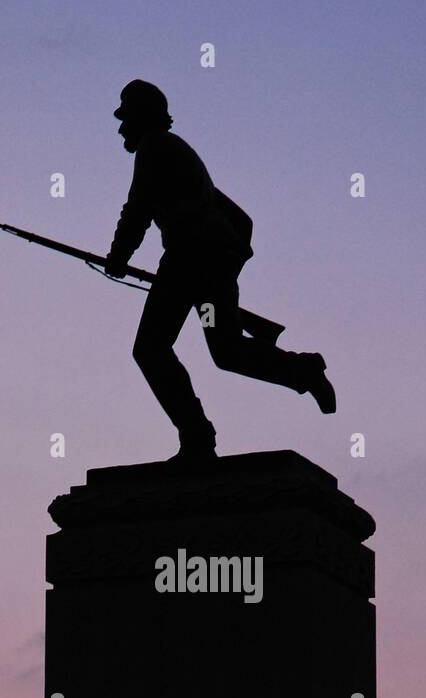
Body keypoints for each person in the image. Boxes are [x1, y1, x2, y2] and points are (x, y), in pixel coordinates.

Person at [104, 80, 336, 464]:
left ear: (142, 117)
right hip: (204, 264)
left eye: (125, 118)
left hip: (187, 261)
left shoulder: (154, 148)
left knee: (151, 349)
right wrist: (224, 265)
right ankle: (303, 370)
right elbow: (237, 220)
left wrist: (118, 256)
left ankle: (197, 438)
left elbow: (137, 209)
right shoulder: (180, 153)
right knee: (227, 350)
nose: (120, 127)